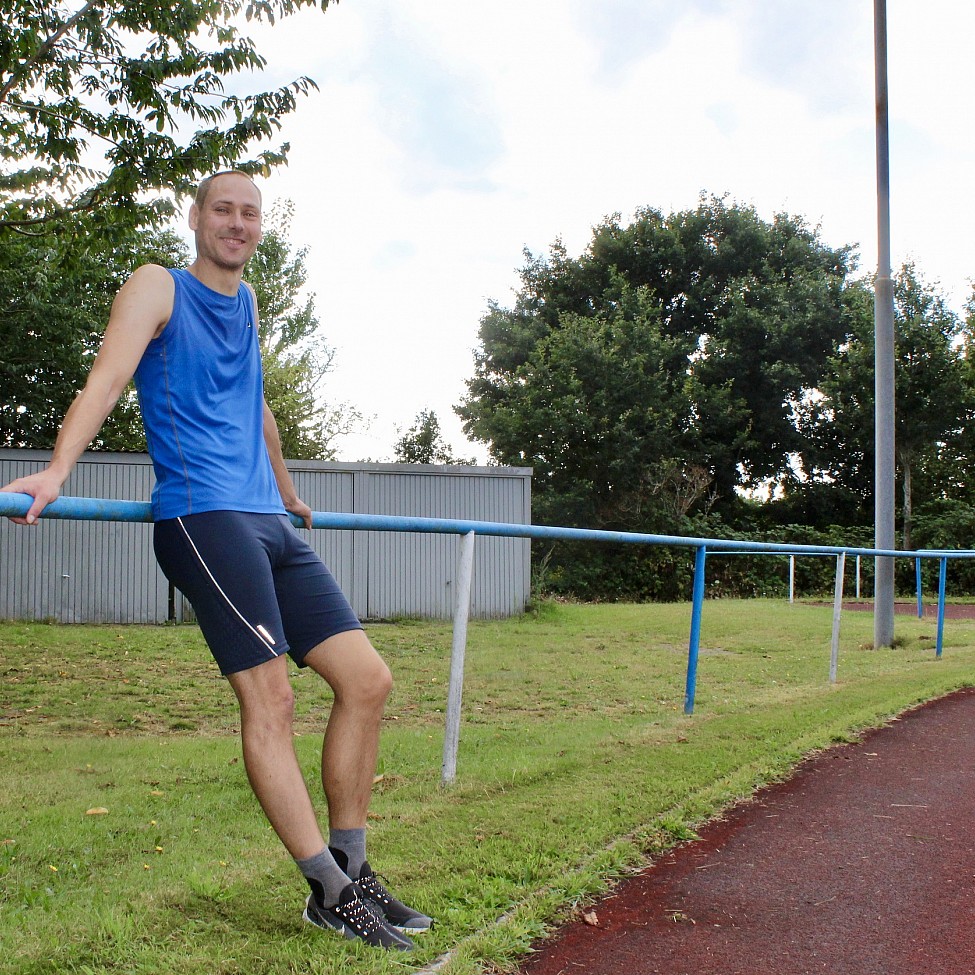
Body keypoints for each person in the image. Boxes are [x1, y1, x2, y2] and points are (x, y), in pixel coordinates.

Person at [0, 171, 431, 951]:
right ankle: (328, 892)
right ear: (196, 217)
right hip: (201, 514)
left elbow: (254, 400)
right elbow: (108, 377)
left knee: (368, 680)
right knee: (271, 701)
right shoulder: (156, 286)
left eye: (250, 214)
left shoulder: (250, 302)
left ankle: (352, 866)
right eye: (223, 210)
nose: (237, 224)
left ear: (260, 226)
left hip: (264, 517)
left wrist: (290, 489)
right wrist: (59, 470)